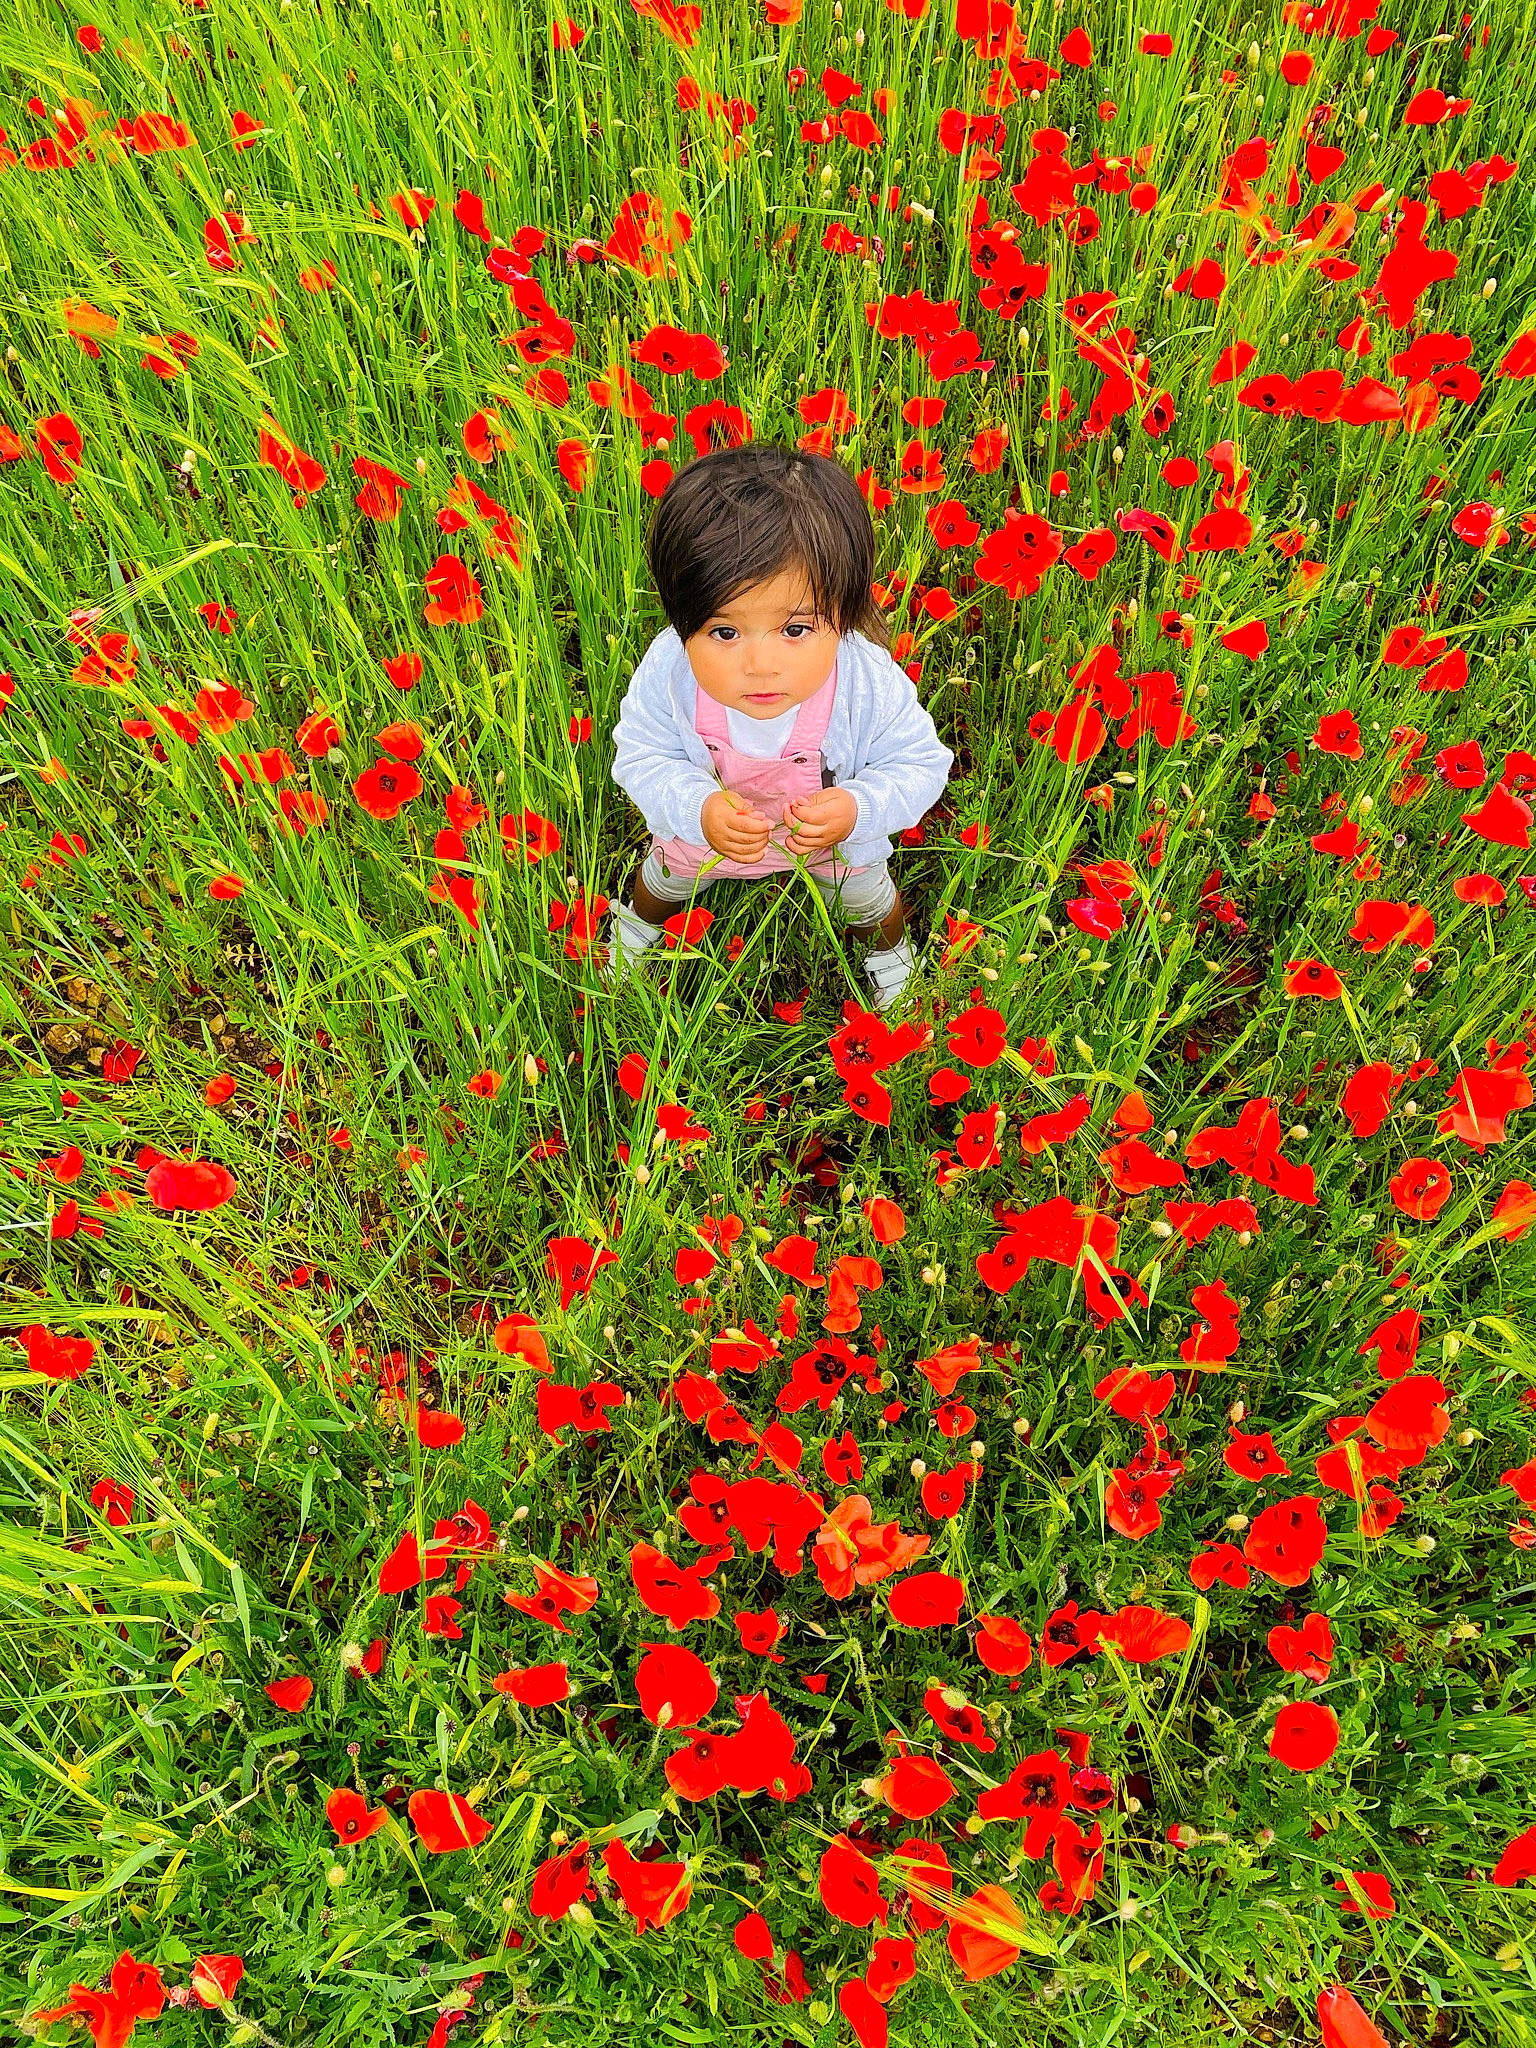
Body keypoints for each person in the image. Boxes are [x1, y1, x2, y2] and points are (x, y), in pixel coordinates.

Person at [605, 445, 953, 1010]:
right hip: (705, 835)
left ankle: (890, 961)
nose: (761, 665)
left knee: (868, 895)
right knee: (664, 878)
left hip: (829, 840)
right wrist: (698, 808)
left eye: (795, 630)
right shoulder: (670, 672)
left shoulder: (863, 680)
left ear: (843, 610)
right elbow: (641, 755)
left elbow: (922, 763)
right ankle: (637, 930)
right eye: (724, 632)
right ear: (681, 619)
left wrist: (856, 809)